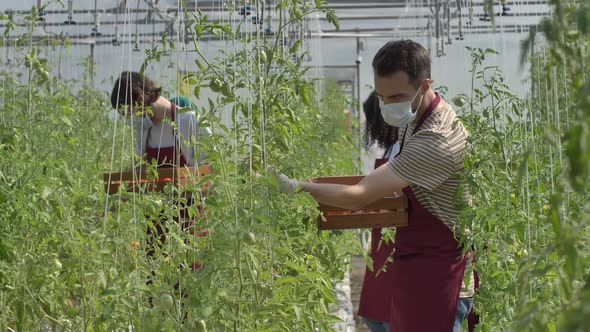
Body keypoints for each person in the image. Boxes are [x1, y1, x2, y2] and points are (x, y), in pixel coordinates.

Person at [278, 40, 474, 332]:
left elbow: (360, 196)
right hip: (419, 265)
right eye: (382, 97)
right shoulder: (417, 117)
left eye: (397, 96)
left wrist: (301, 188)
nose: (389, 106)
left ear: (424, 85)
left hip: (441, 274)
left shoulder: (437, 139)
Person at [110, 71, 211, 269]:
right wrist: (120, 196)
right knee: (156, 283)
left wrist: (185, 183)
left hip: (189, 219)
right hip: (156, 224)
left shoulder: (190, 121)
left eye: (130, 111)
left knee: (190, 281)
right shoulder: (144, 128)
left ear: (141, 97)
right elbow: (138, 171)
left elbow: (211, 172)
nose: (131, 117)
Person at [358, 91, 399, 332]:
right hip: (385, 241)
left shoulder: (401, 149)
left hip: (394, 243)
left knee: (384, 316)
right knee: (377, 316)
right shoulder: (391, 149)